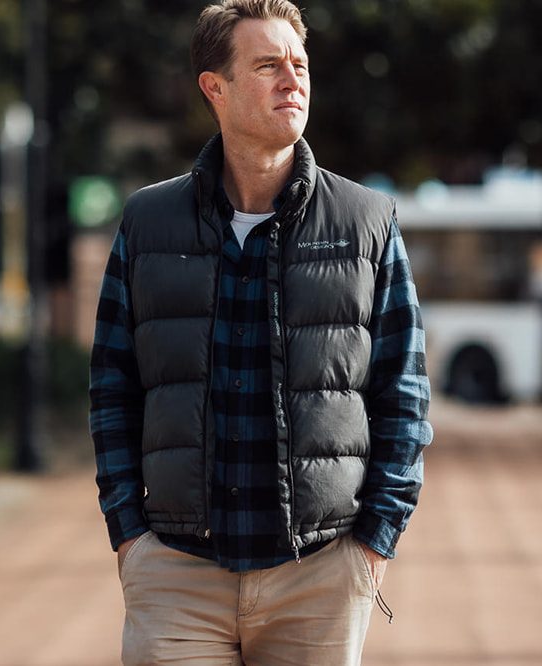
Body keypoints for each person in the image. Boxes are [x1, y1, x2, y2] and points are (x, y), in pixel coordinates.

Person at [88, 1, 434, 663]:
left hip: (320, 574)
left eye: (300, 65)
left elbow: (404, 395)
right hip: (177, 572)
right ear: (215, 87)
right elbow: (113, 385)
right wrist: (130, 534)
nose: (292, 80)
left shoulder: (369, 222)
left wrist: (374, 543)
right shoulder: (147, 222)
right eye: (269, 64)